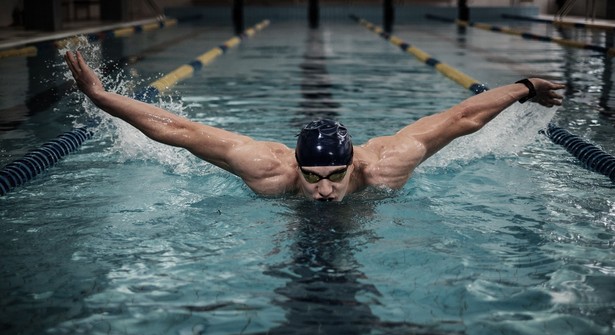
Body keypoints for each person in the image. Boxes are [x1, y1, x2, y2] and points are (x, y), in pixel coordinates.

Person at [65, 51, 565, 201]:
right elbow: (176, 130)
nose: (324, 190)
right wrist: (100, 96)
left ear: (353, 164)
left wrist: (524, 85)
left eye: (334, 176)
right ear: (296, 166)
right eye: (312, 176)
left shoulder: (387, 163)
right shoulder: (266, 168)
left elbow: (462, 118)